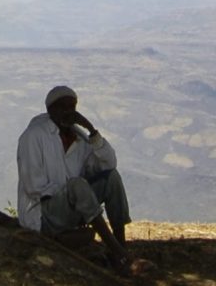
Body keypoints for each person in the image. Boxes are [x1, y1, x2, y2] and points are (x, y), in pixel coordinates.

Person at [16, 83, 132, 268]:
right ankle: (119, 253)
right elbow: (33, 186)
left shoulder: (79, 137)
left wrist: (91, 130)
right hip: (42, 214)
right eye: (63, 107)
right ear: (51, 110)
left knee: (112, 178)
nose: (69, 113)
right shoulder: (34, 136)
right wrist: (72, 191)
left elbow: (108, 165)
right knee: (77, 185)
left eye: (72, 108)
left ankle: (121, 246)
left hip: (72, 207)